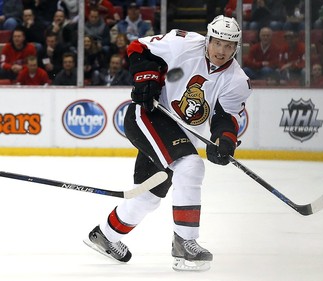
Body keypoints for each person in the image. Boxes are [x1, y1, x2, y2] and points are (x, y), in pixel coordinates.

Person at [85, 15, 252, 271]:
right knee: (190, 166)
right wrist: (146, 76)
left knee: (148, 197)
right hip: (149, 115)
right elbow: (138, 48)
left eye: (229, 46)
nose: (221, 51)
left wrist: (224, 140)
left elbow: (225, 117)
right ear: (208, 38)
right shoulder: (182, 43)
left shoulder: (237, 79)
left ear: (236, 47)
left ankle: (105, 235)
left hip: (179, 133)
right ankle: (185, 242)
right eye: (217, 43)